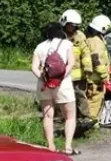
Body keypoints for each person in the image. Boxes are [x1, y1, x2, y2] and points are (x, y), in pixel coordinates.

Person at [32, 22, 77, 154]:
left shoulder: (40, 47)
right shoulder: (67, 44)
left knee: (48, 116)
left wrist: (44, 78)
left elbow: (34, 67)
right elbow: (71, 63)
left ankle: (51, 146)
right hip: (63, 84)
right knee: (69, 116)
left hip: (44, 85)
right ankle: (68, 147)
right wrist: (61, 77)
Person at [60, 9, 93, 130]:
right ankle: (62, 118)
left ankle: (84, 118)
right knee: (62, 97)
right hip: (63, 74)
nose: (72, 28)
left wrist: (88, 68)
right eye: (70, 25)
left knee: (80, 96)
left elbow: (85, 53)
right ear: (64, 23)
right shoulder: (59, 36)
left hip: (78, 76)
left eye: (74, 26)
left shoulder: (80, 36)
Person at [83, 15, 111, 124]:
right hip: (95, 80)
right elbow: (96, 60)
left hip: (89, 79)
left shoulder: (88, 37)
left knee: (88, 102)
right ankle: (88, 126)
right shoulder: (96, 41)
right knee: (94, 103)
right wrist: (104, 76)